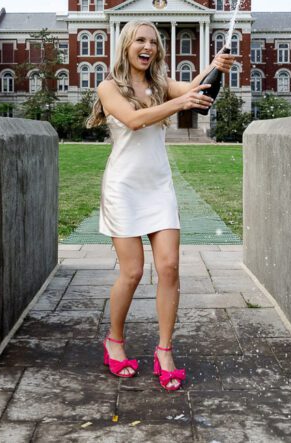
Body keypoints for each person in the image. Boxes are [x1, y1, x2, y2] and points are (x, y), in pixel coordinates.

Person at [86, 20, 236, 391]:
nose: (147, 46)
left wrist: (216, 67)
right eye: (140, 39)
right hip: (123, 187)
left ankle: (164, 351)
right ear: (126, 45)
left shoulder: (161, 85)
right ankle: (114, 341)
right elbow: (135, 120)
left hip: (158, 186)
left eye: (153, 42)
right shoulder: (108, 87)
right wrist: (179, 102)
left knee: (169, 267)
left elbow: (198, 90)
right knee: (133, 272)